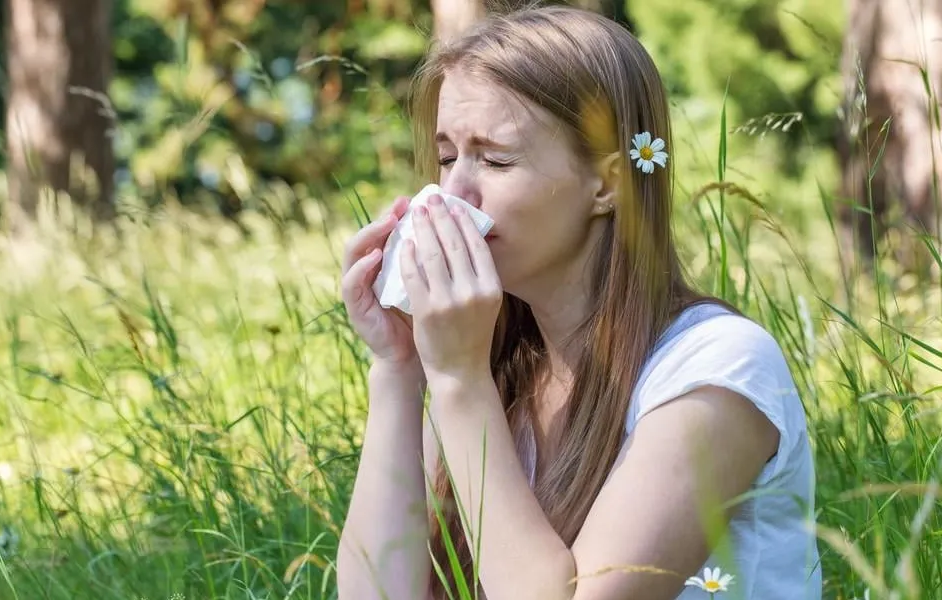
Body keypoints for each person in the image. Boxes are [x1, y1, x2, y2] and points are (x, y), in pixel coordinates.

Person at [335, 5, 821, 600]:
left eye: (495, 159)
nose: (450, 192)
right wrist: (399, 367)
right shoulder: (493, 366)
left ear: (608, 183)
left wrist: (459, 382)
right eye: (445, 157)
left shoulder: (717, 370)